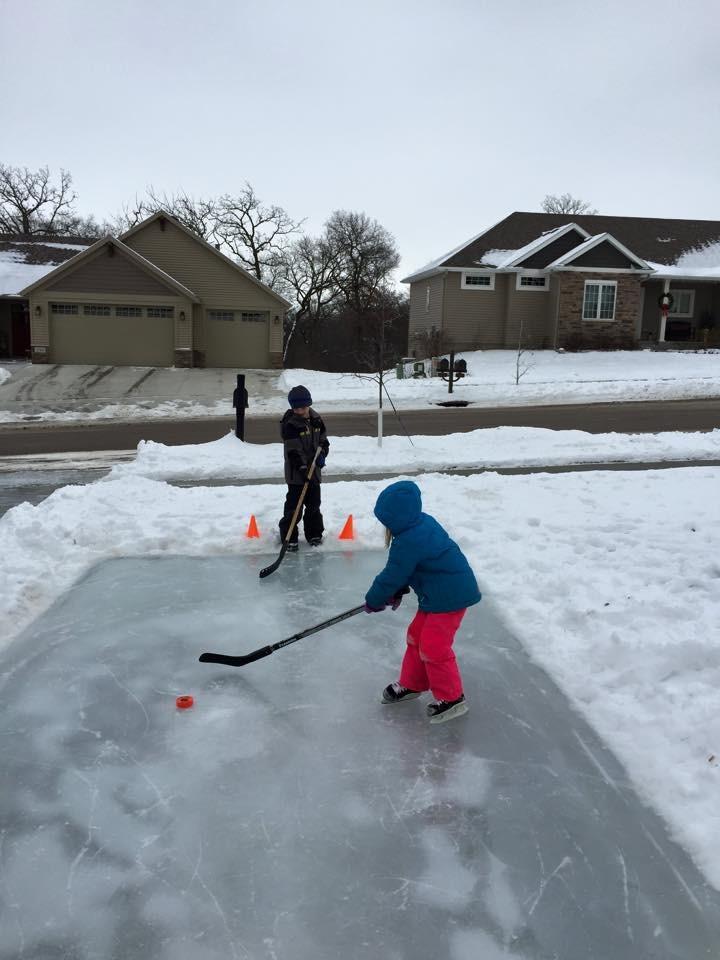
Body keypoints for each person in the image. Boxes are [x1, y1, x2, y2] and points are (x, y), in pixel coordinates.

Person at [364, 480, 481, 724]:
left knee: (434, 645)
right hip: (436, 594)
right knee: (416, 635)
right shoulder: (421, 522)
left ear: (397, 518)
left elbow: (392, 575)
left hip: (451, 595)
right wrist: (398, 589)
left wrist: (375, 599)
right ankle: (413, 683)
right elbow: (417, 567)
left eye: (387, 520)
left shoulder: (408, 540)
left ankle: (452, 698)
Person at [279, 385, 329, 550]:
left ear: (309, 404)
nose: (300, 411)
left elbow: (324, 441)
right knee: (294, 508)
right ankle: (289, 537)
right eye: (296, 408)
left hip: (313, 472)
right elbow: (293, 450)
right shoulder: (291, 424)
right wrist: (302, 469)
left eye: (303, 407)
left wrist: (322, 455)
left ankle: (314, 534)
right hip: (296, 474)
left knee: (314, 505)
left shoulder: (316, 419)